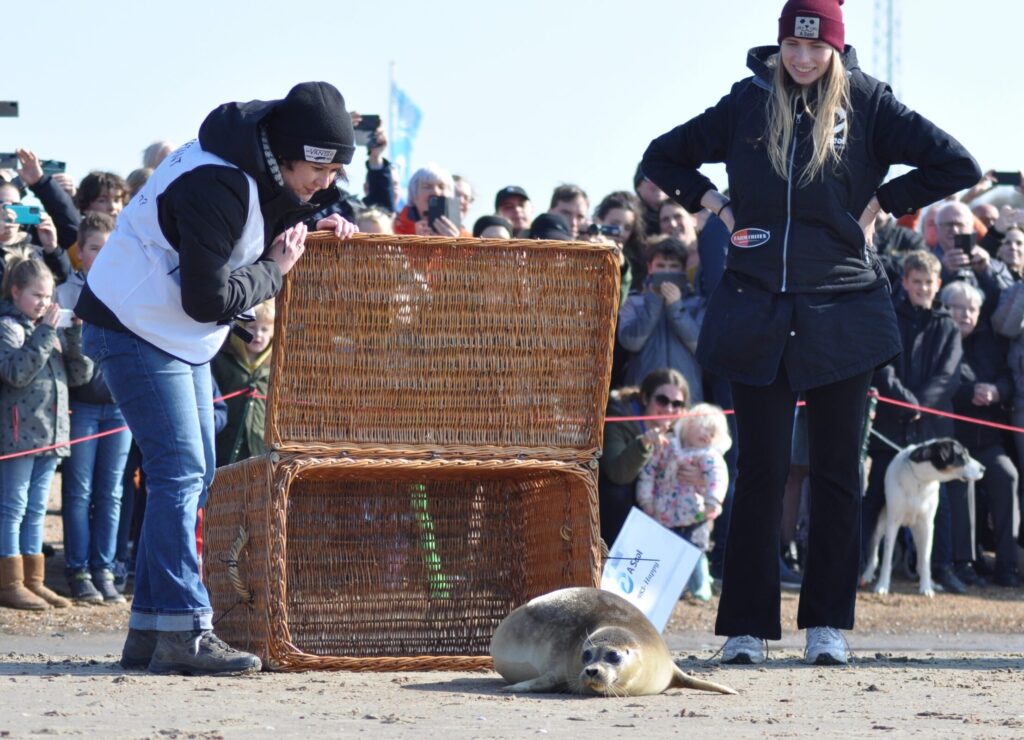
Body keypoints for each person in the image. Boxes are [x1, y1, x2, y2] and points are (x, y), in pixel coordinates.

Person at [641, 0, 980, 665]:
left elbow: (957, 164)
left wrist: (884, 200)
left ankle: (827, 625)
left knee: (834, 474)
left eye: (815, 46)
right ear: (778, 45)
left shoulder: (871, 103)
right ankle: (745, 628)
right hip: (756, 305)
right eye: (792, 46)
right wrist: (714, 204)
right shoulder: (745, 102)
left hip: (843, 309)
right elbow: (662, 157)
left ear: (835, 46)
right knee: (760, 470)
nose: (801, 58)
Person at [74, 81, 360, 674]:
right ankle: (186, 628)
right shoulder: (216, 183)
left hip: (164, 330)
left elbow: (270, 209)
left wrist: (316, 222)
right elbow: (209, 300)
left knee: (192, 474)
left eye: (333, 173)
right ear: (284, 152)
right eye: (318, 169)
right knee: (180, 471)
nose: (325, 182)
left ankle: (153, 630)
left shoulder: (254, 164)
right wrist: (277, 270)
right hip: (135, 325)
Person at [867, 251, 964, 594]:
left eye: (929, 282)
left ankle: (942, 567)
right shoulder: (889, 316)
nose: (923, 288)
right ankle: (865, 565)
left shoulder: (948, 325)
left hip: (932, 430)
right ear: (905, 282)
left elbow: (949, 374)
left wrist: (922, 405)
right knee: (876, 496)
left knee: (942, 506)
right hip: (893, 423)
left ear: (938, 284)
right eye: (917, 281)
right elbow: (883, 363)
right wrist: (905, 402)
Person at [0, 258, 92, 610]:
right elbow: (16, 373)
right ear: (16, 292)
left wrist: (74, 335)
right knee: (13, 507)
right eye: (37, 295)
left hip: (52, 435)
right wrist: (45, 333)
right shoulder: (10, 327)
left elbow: (81, 376)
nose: (44, 303)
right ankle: (10, 581)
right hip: (18, 436)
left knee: (37, 508)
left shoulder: (49, 330)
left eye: (49, 296)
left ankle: (33, 579)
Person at [55, 212, 131, 604]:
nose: (100, 255)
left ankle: (105, 568)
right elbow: (71, 366)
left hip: (120, 407)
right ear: (79, 253)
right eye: (93, 248)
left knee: (111, 492)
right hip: (83, 407)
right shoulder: (65, 295)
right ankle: (78, 569)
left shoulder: (129, 288)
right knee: (79, 491)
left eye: (107, 247)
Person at [941, 280, 1020, 588]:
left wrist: (997, 392)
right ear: (947, 309)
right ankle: (964, 563)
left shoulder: (990, 342)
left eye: (972, 309)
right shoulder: (941, 339)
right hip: (953, 441)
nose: (966, 314)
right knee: (963, 484)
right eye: (959, 308)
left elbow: (1007, 378)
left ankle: (1007, 564)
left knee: (1007, 475)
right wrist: (968, 392)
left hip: (987, 440)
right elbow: (940, 384)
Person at [636, 402, 731, 601]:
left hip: (696, 512)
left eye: (713, 432)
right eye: (703, 426)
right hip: (664, 511)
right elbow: (649, 471)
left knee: (696, 548)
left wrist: (712, 502)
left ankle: (701, 583)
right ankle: (674, 586)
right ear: (688, 424)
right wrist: (646, 500)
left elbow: (718, 478)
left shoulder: (709, 456)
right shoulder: (667, 447)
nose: (707, 434)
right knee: (668, 550)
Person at [598, 368, 691, 545]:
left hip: (670, 513)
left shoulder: (686, 431)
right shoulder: (620, 420)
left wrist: (698, 476)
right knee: (616, 493)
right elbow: (617, 473)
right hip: (625, 510)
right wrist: (644, 443)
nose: (669, 409)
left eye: (677, 404)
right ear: (646, 398)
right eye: (662, 400)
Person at [617, 238, 703, 404]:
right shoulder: (633, 302)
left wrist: (676, 307)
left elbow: (700, 346)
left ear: (683, 269)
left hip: (686, 397)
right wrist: (654, 302)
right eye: (661, 266)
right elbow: (631, 343)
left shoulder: (697, 303)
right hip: (643, 395)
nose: (667, 272)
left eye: (673, 266)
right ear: (650, 268)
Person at [211, 298, 275, 466]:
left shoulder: (273, 368)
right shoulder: (222, 360)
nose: (258, 334)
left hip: (258, 449)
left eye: (264, 329)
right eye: (252, 328)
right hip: (223, 446)